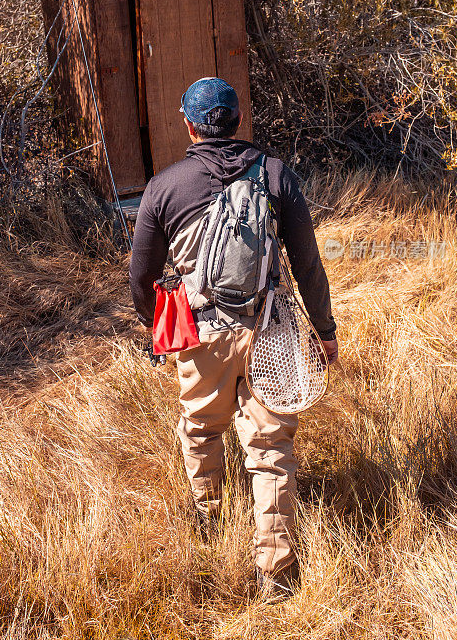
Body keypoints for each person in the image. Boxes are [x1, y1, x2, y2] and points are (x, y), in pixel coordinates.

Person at [130, 78, 338, 595]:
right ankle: (276, 576)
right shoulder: (275, 175)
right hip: (272, 329)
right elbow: (308, 263)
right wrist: (325, 331)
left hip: (202, 333)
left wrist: (158, 330)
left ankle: (209, 528)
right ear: (239, 119)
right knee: (270, 449)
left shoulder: (164, 186)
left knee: (201, 428)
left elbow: (141, 274)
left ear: (188, 123)